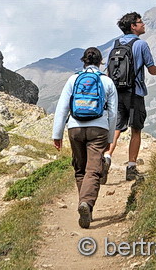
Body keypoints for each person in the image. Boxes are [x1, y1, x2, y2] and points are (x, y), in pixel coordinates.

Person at [52, 47, 118, 229]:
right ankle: (87, 204)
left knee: (80, 169)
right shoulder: (107, 82)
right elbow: (113, 113)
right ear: (100, 62)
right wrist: (110, 138)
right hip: (99, 129)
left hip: (75, 128)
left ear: (84, 61)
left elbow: (62, 107)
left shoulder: (73, 79)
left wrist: (56, 134)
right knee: (94, 170)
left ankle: (84, 202)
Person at [105, 12, 156, 181]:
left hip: (117, 93)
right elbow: (150, 68)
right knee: (136, 129)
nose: (143, 24)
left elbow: (110, 71)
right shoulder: (141, 45)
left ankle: (106, 157)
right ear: (133, 26)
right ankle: (131, 167)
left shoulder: (115, 45)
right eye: (140, 22)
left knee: (116, 129)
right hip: (135, 92)